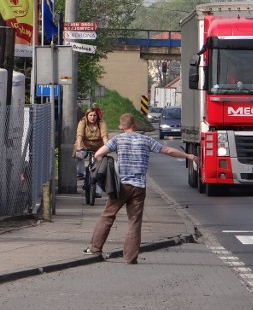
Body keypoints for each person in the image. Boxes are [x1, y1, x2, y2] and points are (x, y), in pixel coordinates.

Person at [83, 113, 199, 264]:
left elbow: (99, 154)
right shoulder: (146, 140)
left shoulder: (117, 139)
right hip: (139, 187)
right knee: (134, 222)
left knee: (108, 215)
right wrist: (188, 156)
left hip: (121, 186)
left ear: (121, 127)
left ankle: (95, 248)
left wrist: (108, 168)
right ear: (135, 125)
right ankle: (131, 257)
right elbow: (168, 151)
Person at [74, 107, 108, 180]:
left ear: (97, 116)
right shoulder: (83, 121)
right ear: (87, 116)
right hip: (84, 145)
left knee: (101, 159)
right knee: (79, 154)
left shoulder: (101, 122)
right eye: (90, 115)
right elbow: (79, 134)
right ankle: (80, 173)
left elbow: (104, 135)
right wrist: (79, 146)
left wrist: (107, 146)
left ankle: (99, 174)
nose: (92, 117)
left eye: (94, 115)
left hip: (98, 145)